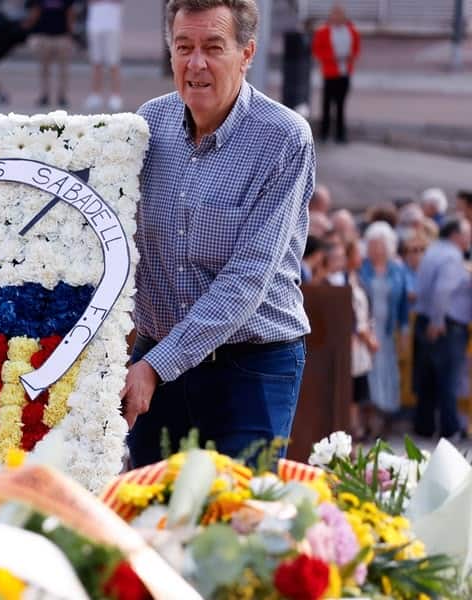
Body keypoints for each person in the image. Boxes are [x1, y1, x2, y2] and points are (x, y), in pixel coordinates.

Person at [123, 0, 314, 466]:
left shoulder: (285, 137)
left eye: (213, 47)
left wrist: (154, 365)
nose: (196, 64)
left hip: (250, 365)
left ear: (247, 53)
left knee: (238, 523)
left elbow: (246, 279)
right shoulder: (149, 122)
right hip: (156, 357)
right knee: (147, 514)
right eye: (183, 47)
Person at [412, 217, 472, 440]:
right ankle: (450, 428)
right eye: (467, 233)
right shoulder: (452, 256)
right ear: (456, 235)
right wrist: (438, 321)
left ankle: (424, 425)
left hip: (426, 319)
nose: (469, 238)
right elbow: (443, 291)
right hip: (446, 325)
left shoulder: (434, 251)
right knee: (449, 378)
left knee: (428, 377)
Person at [358, 222, 411, 431]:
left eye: (380, 244)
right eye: (372, 244)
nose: (376, 249)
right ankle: (369, 419)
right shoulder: (363, 268)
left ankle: (385, 416)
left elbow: (404, 303)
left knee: (387, 372)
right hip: (368, 328)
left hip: (387, 331)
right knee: (368, 372)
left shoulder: (397, 269)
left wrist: (405, 331)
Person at [343, 240, 378, 440]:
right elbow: (352, 314)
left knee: (359, 389)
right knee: (352, 390)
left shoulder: (358, 278)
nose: (362, 258)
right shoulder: (344, 280)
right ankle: (352, 430)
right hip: (354, 342)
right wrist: (367, 337)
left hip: (362, 343)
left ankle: (357, 428)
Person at [311, 3, 360, 144]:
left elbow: (356, 49)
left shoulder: (351, 31)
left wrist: (350, 57)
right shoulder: (324, 32)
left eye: (340, 14)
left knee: (341, 104)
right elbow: (317, 51)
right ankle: (324, 133)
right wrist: (331, 57)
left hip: (344, 72)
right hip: (330, 72)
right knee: (327, 104)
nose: (337, 17)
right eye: (335, 14)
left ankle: (340, 134)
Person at [23, 0, 76, 107]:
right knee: (44, 69)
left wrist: (71, 35)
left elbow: (70, 13)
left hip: (62, 36)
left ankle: (62, 96)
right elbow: (35, 11)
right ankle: (44, 95)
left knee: (63, 70)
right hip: (44, 36)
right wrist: (28, 27)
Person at [84, 0, 124, 112]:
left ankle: (116, 95)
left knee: (113, 62)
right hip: (95, 25)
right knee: (96, 62)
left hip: (112, 26)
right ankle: (95, 94)